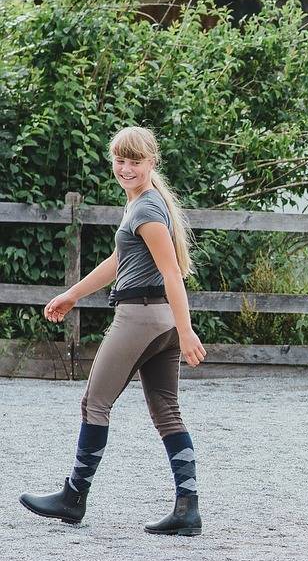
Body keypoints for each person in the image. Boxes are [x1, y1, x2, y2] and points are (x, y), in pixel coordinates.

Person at [20, 126, 207, 536]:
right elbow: (118, 260)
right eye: (120, 160)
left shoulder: (145, 209)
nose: (125, 168)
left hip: (140, 317)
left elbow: (173, 272)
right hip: (161, 321)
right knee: (166, 410)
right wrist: (72, 294)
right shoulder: (147, 203)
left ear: (151, 162)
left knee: (94, 403)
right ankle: (187, 507)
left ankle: (74, 498)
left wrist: (188, 329)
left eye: (134, 161)